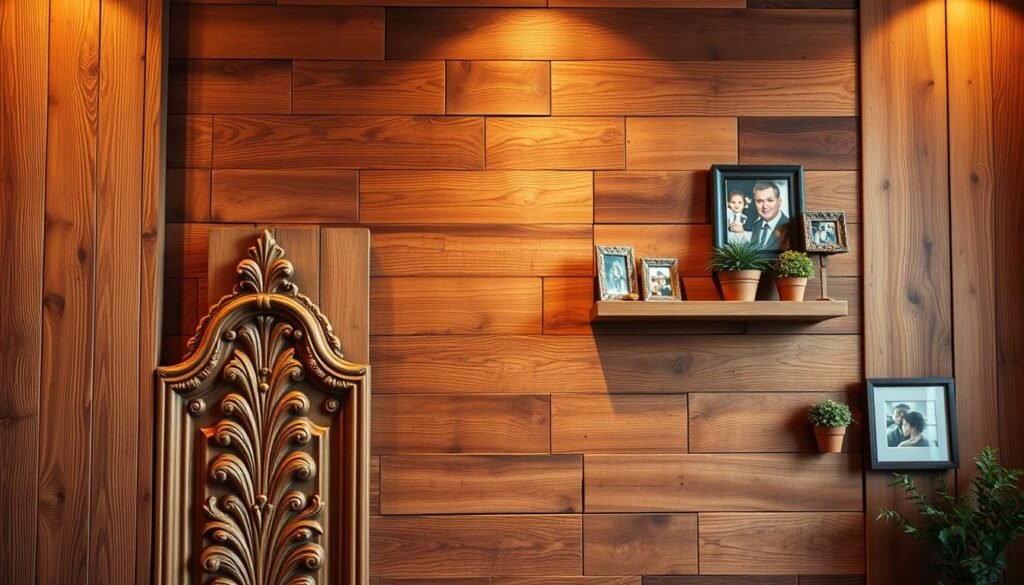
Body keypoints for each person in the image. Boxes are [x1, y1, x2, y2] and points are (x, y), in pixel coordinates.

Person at [747, 181, 790, 250]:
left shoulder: (790, 227)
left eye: (770, 200)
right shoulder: (755, 225)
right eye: (759, 201)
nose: (765, 206)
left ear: (779, 202)